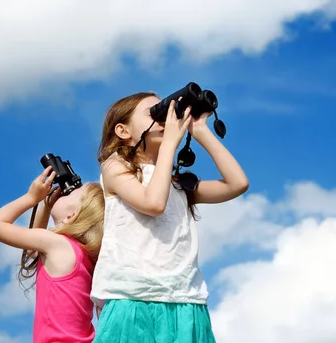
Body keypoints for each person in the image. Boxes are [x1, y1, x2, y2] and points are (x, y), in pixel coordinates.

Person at [91, 92, 249, 342]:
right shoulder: (114, 167)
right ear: (123, 131)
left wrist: (200, 131)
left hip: (186, 299)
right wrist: (168, 146)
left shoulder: (177, 185)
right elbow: (153, 203)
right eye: (155, 113)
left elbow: (237, 184)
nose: (167, 119)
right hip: (134, 298)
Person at [0, 166, 105, 343]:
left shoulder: (59, 245)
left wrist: (31, 198)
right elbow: (33, 251)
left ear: (71, 216)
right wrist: (45, 206)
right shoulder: (83, 256)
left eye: (72, 192)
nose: (65, 191)